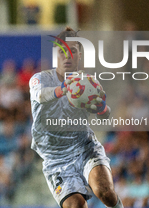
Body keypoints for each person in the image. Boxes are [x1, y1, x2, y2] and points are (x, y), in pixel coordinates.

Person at [29, 27, 123, 208]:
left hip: (84, 148)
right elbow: (41, 96)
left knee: (106, 192)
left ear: (79, 55)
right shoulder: (39, 79)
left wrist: (102, 108)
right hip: (56, 159)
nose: (67, 56)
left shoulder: (87, 82)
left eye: (72, 51)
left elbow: (104, 115)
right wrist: (64, 89)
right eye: (62, 51)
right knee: (75, 206)